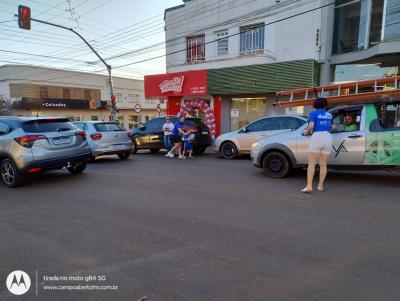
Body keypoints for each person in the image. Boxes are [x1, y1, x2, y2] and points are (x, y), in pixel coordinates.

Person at [302, 97, 333, 193]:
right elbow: (331, 126)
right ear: (325, 105)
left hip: (317, 137)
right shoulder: (329, 114)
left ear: (315, 105)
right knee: (323, 164)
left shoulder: (313, 113)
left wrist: (306, 133)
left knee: (312, 163)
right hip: (328, 137)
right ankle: (320, 186)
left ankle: (309, 186)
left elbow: (311, 126)